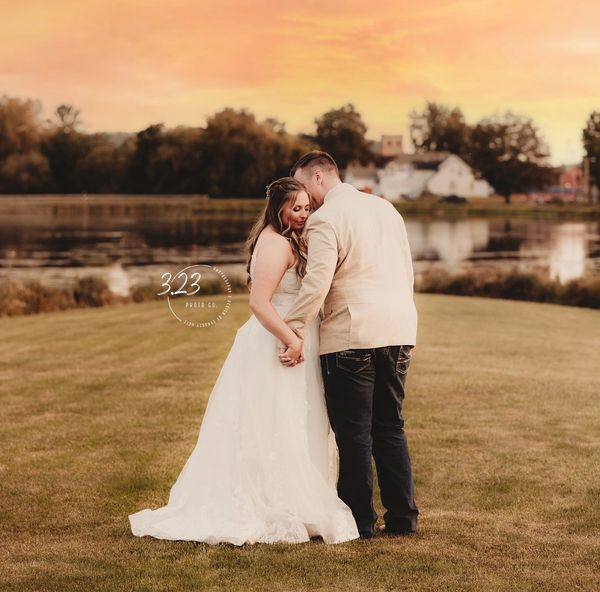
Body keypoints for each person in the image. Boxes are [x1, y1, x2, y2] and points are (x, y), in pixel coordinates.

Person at [128, 176, 359, 545]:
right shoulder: (273, 243)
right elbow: (259, 303)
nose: (302, 214)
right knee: (276, 419)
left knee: (297, 418)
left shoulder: (289, 240)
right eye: (295, 208)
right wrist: (292, 340)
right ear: (277, 208)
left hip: (295, 341)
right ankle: (272, 503)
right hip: (276, 343)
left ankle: (298, 503)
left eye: (305, 207)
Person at [279, 151, 419, 539]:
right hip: (399, 329)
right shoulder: (387, 210)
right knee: (390, 427)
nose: (303, 199)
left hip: (351, 334)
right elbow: (407, 270)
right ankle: (403, 520)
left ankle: (360, 522)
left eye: (304, 187)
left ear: (319, 177)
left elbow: (317, 282)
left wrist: (290, 328)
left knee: (355, 433)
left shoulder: (326, 219)